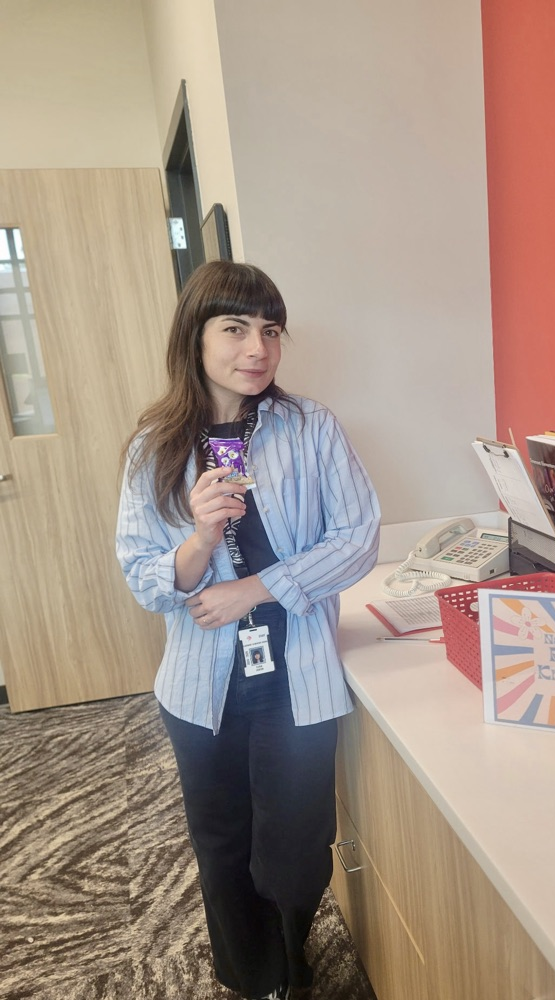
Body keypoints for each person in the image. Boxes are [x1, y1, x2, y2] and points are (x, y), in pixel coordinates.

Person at [116, 260, 380, 1000]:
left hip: (296, 681)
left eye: (269, 330)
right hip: (204, 689)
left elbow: (359, 535)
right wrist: (199, 541)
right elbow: (142, 577)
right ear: (195, 339)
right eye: (233, 328)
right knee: (224, 847)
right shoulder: (155, 448)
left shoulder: (310, 427)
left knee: (296, 854)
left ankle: (292, 966)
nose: (256, 347)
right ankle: (252, 979)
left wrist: (257, 588)